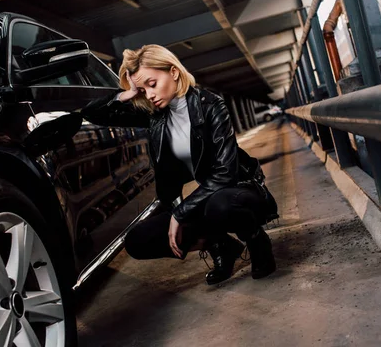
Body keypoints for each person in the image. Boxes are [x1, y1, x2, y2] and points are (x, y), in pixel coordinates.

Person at [81, 44, 278, 284]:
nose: (149, 94)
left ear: (173, 72)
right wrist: (127, 94)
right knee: (137, 240)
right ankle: (221, 245)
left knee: (220, 205)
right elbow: (92, 114)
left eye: (152, 84)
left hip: (237, 191)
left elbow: (225, 173)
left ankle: (257, 241)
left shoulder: (210, 105)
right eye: (142, 89)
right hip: (198, 199)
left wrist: (180, 214)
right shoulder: (154, 113)